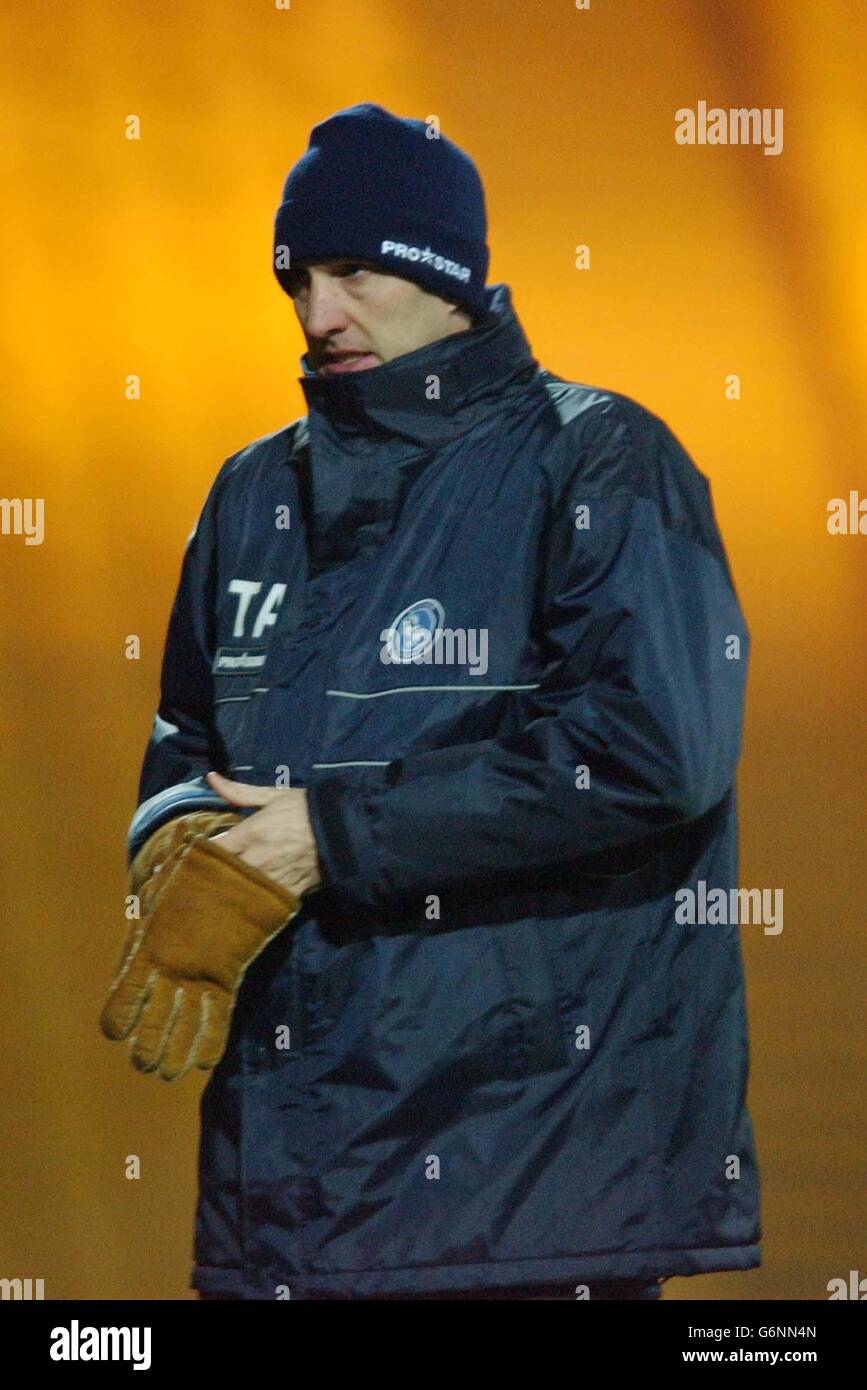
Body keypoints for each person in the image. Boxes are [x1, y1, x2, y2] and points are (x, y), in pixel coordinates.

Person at [100, 102, 761, 1301]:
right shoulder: (252, 491)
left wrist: (328, 834)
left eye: (357, 271)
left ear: (450, 276)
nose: (319, 314)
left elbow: (656, 749)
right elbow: (186, 742)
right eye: (298, 277)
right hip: (286, 1197)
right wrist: (180, 834)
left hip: (528, 1191)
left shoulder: (602, 459)